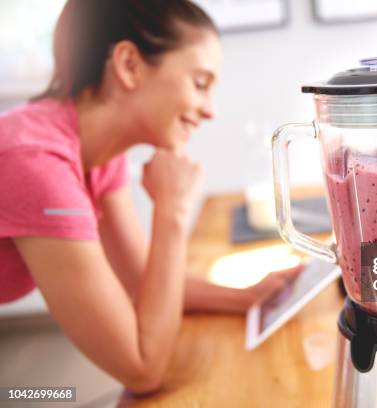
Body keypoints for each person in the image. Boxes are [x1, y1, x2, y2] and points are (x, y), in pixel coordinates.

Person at [0, 0, 299, 394]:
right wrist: (172, 210)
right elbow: (141, 367)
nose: (210, 110)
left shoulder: (94, 152)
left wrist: (246, 298)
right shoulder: (38, 165)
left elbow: (143, 279)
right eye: (200, 83)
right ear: (128, 64)